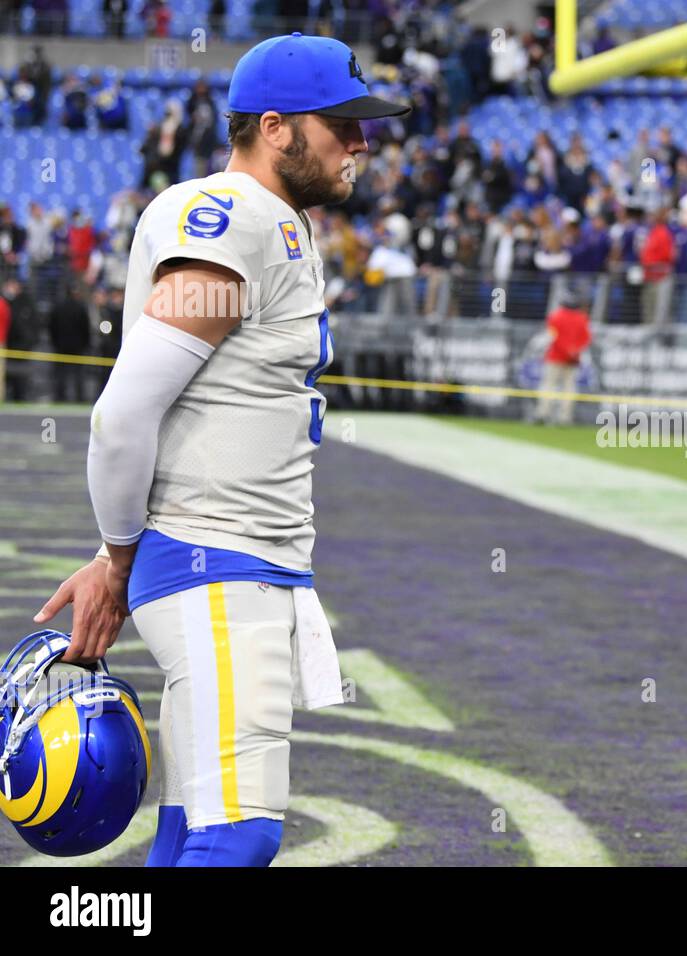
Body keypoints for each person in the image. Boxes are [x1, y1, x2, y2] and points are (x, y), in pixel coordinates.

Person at [32, 33, 409, 868]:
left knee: (194, 826)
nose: (362, 143)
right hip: (216, 561)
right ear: (274, 127)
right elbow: (123, 413)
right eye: (341, 124)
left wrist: (119, 555)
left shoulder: (269, 219)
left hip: (227, 559)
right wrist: (116, 557)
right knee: (238, 836)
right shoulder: (236, 216)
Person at [535, 289, 591, 426]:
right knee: (569, 388)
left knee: (548, 386)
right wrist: (574, 350)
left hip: (555, 357)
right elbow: (586, 338)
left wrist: (566, 350)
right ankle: (564, 418)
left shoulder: (555, 316)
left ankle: (543, 414)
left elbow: (552, 337)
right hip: (572, 359)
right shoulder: (582, 318)